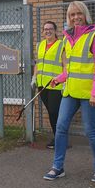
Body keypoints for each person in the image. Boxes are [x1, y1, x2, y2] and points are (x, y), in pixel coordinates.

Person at [43, 1, 95, 183]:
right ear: (68, 18)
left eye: (78, 13)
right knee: (61, 128)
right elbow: (71, 68)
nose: (75, 18)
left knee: (90, 131)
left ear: (85, 14)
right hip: (70, 92)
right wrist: (60, 78)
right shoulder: (67, 37)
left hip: (89, 94)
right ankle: (57, 167)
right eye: (72, 15)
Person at [32, 21, 64, 149]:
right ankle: (58, 137)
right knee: (51, 113)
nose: (48, 31)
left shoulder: (61, 45)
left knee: (54, 111)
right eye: (45, 29)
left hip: (56, 85)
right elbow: (38, 63)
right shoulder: (40, 45)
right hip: (42, 85)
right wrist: (34, 77)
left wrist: (63, 80)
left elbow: (65, 65)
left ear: (55, 31)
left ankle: (60, 139)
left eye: (50, 29)